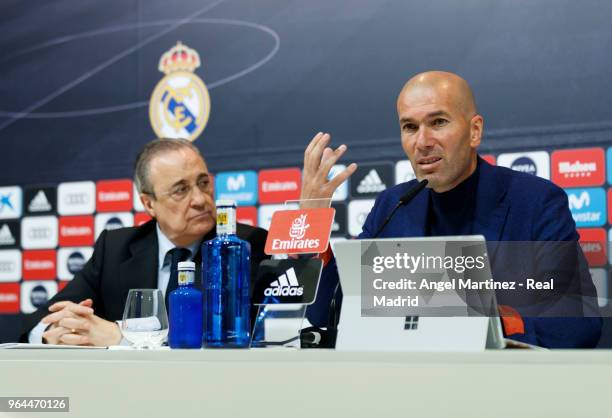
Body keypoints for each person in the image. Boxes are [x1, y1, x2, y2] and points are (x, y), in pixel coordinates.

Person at [301, 71, 602, 348]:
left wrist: (488, 325)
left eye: (438, 122)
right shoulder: (391, 207)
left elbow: (578, 323)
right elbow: (330, 313)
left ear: (474, 131)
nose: (423, 141)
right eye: (410, 127)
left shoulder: (535, 202)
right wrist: (312, 222)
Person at [20, 138, 268, 346]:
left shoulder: (243, 246)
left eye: (203, 183)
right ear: (149, 204)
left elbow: (231, 334)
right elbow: (38, 321)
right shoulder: (115, 248)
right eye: (181, 190)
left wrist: (120, 338)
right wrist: (58, 331)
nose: (200, 199)